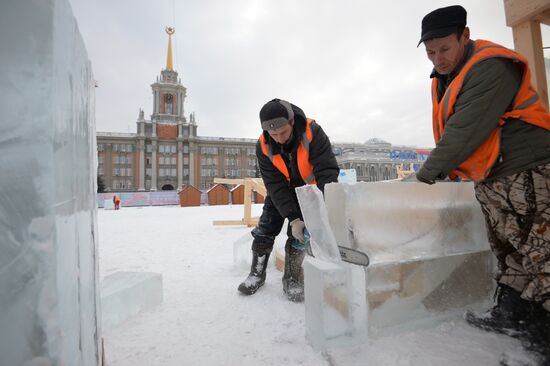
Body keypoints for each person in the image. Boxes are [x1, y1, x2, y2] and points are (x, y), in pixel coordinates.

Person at [416, 5, 550, 361]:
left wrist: (428, 173)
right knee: (509, 251)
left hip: (526, 173)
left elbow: (465, 130)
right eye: (430, 52)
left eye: (444, 48)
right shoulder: (445, 76)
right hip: (491, 176)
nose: (438, 58)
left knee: (543, 253)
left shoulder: (490, 65)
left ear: (465, 35)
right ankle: (517, 315)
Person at [238, 98, 339, 302]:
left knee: (299, 237)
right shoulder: (264, 145)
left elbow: (327, 173)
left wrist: (317, 212)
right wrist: (293, 218)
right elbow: (274, 184)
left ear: (292, 122)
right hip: (281, 191)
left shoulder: (313, 133)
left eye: (283, 132)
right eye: (273, 134)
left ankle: (293, 278)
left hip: (309, 191)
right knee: (265, 229)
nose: (279, 138)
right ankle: (256, 273)